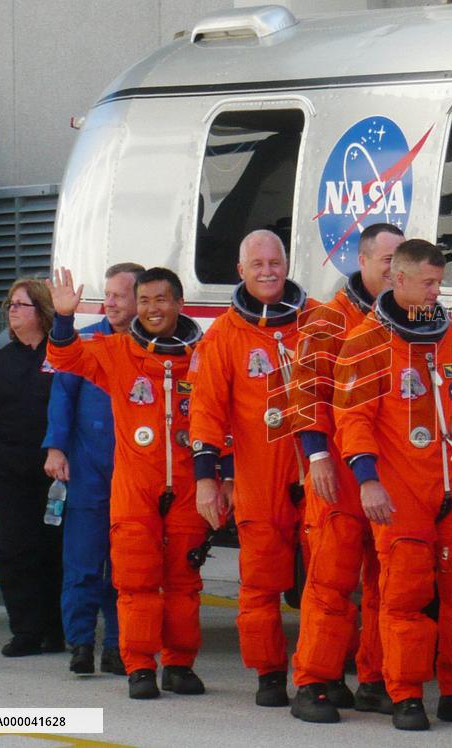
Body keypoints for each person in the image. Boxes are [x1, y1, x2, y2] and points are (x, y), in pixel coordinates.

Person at [334, 239, 452, 732]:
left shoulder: (448, 334)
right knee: (406, 598)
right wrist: (367, 482)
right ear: (398, 278)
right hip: (401, 492)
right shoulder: (366, 343)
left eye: (440, 283)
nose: (437, 292)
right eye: (429, 283)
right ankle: (405, 694)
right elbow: (353, 420)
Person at [46, 266, 208, 700]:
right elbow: (65, 359)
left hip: (189, 485)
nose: (154, 308)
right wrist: (64, 319)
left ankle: (178, 665)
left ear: (178, 303)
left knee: (184, 582)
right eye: (147, 300)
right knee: (135, 579)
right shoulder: (117, 351)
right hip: (135, 486)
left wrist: (221, 478)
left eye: (162, 300)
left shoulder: (204, 353)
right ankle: (138, 666)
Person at [190, 229, 319, 708]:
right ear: (241, 271)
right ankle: (268, 674)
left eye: (275, 262)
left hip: (318, 472)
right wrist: (207, 478)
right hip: (260, 477)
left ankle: (321, 674)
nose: (268, 271)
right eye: (257, 263)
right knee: (262, 583)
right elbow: (205, 411)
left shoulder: (318, 322)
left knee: (328, 582)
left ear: (287, 265)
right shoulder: (225, 334)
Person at [289, 222, 404, 722]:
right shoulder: (327, 322)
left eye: (402, 263)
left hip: (389, 475)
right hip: (337, 471)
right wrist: (316, 458)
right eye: (387, 262)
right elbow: (304, 397)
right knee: (330, 582)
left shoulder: (411, 321)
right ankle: (314, 680)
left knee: (387, 583)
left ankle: (374, 680)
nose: (396, 271)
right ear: (363, 261)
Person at [42, 262, 144, 677]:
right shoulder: (86, 341)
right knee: (83, 562)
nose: (110, 302)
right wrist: (55, 448)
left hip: (136, 470)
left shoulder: (151, 346)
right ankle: (81, 643)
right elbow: (61, 396)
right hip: (87, 467)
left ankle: (120, 646)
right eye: (108, 294)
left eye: (119, 295)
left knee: (127, 565)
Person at [0, 279, 63, 656]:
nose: (13, 311)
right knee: (16, 552)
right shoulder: (0, 363)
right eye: (11, 305)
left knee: (55, 552)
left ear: (42, 311)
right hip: (10, 476)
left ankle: (57, 627)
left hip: (57, 477)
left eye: (22, 305)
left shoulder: (62, 358)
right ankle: (26, 630)